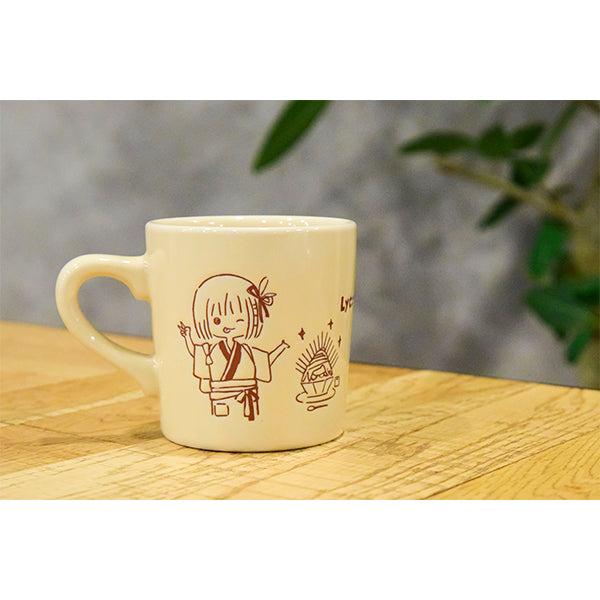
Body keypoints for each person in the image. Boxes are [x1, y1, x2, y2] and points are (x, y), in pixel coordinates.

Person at [178, 274, 288, 421]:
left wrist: (281, 348)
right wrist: (187, 337)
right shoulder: (209, 350)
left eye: (239, 320)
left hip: (247, 396)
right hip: (220, 397)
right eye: (217, 320)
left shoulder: (247, 351)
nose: (229, 325)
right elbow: (195, 353)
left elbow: (265, 361)